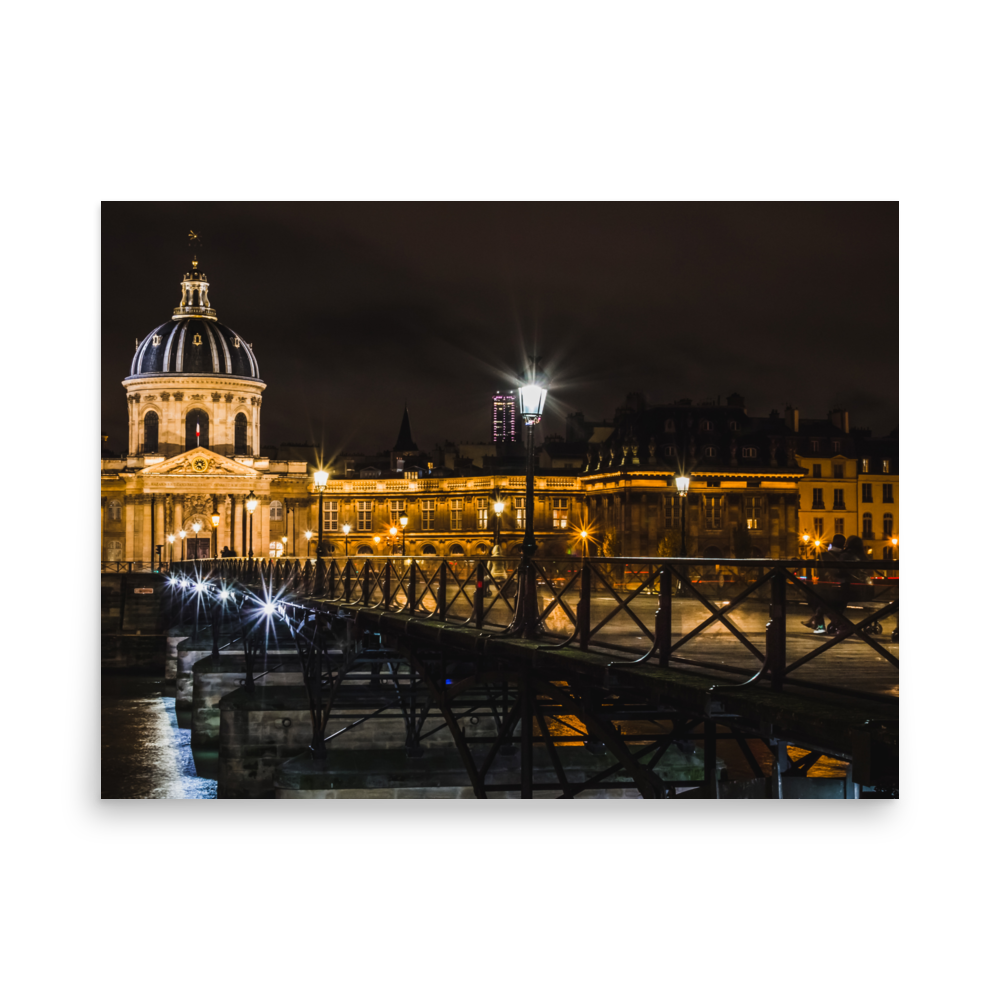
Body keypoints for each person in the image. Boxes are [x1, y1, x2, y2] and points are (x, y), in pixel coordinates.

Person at [803, 534, 845, 632]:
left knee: (814, 598)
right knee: (824, 600)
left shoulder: (823, 556)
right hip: (845, 588)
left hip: (829, 589)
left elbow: (819, 572)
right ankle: (834, 622)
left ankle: (821, 624)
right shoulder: (845, 556)